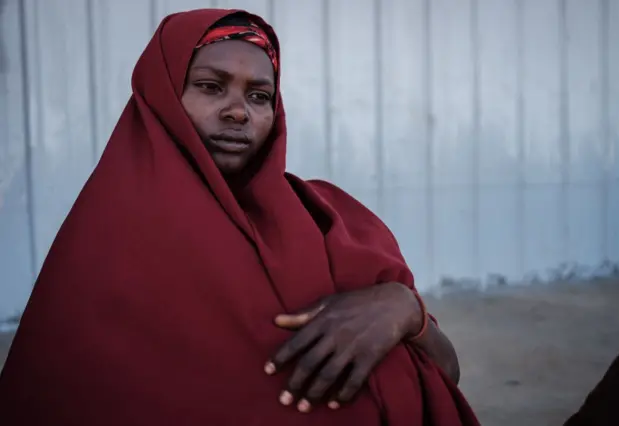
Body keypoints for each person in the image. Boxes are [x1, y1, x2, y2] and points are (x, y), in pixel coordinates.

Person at [0, 9, 479, 426]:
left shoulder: (332, 218)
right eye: (210, 87)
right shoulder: (100, 248)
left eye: (259, 96)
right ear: (162, 96)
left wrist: (405, 311)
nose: (237, 112)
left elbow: (447, 374)